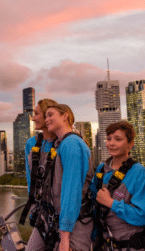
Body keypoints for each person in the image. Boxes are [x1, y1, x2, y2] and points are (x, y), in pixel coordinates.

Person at [24, 103, 90, 251]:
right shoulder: (61, 144)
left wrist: (64, 237)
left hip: (73, 224)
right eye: (45, 115)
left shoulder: (72, 144)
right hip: (54, 219)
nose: (46, 119)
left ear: (65, 116)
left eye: (50, 115)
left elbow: (71, 191)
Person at [90, 121, 145, 251]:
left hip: (131, 245)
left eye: (118, 139)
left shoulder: (138, 172)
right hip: (106, 244)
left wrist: (111, 203)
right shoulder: (102, 169)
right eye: (108, 139)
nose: (111, 143)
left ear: (130, 144)